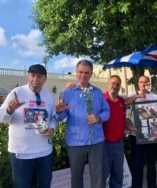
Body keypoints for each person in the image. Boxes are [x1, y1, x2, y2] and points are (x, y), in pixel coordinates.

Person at [0, 64, 57, 188]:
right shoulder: (17, 92)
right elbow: (1, 118)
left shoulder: (49, 96)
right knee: (21, 185)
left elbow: (53, 117)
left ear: (45, 79)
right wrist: (9, 109)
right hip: (21, 151)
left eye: (39, 76)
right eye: (33, 75)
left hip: (44, 151)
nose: (35, 79)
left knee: (45, 184)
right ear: (28, 76)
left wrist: (52, 128)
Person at [55, 60, 110, 188]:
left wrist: (98, 118)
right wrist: (58, 112)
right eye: (80, 72)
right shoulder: (66, 92)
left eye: (86, 73)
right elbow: (62, 116)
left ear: (91, 74)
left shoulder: (97, 92)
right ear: (76, 72)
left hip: (96, 140)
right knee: (76, 176)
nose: (83, 75)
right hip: (75, 141)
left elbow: (107, 111)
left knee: (98, 176)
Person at [124, 75, 157, 188]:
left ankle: (152, 185)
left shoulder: (154, 95)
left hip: (152, 135)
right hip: (136, 134)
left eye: (145, 82)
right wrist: (138, 96)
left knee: (151, 163)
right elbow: (125, 104)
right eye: (141, 82)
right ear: (138, 83)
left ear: (148, 83)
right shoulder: (132, 95)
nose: (143, 84)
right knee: (137, 164)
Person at [103, 75, 135, 188]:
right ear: (108, 84)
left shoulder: (121, 101)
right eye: (113, 83)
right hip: (104, 143)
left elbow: (122, 118)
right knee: (102, 174)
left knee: (117, 174)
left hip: (118, 142)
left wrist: (129, 126)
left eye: (117, 84)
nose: (115, 86)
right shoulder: (101, 99)